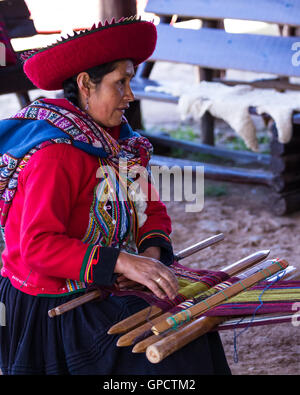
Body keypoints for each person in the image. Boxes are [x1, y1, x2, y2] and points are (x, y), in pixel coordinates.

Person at [0, 17, 231, 375]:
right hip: (58, 305)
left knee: (192, 326)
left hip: (103, 286)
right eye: (120, 83)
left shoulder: (117, 143)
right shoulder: (56, 153)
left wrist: (150, 256)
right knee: (170, 356)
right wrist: (122, 262)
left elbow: (150, 209)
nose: (131, 95)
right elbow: (37, 246)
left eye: (130, 81)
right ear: (85, 86)